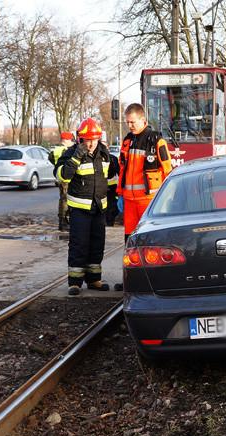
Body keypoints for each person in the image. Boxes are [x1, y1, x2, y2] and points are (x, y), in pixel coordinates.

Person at [56, 118, 118, 296]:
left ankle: (94, 280)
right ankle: (74, 282)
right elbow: (62, 177)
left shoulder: (105, 154)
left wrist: (112, 206)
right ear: (80, 139)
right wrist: (76, 158)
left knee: (97, 245)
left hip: (99, 209)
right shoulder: (71, 154)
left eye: (93, 139)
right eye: (87, 140)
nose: (90, 144)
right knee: (79, 245)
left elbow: (112, 180)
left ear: (99, 138)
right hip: (79, 210)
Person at [115, 103, 173, 291]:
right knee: (130, 243)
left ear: (143, 120)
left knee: (151, 243)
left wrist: (167, 200)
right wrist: (120, 194)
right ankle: (131, 280)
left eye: (133, 122)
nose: (130, 126)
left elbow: (167, 171)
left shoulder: (156, 141)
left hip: (149, 202)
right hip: (130, 203)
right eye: (128, 122)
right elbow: (123, 170)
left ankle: (154, 281)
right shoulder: (127, 141)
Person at [49, 131, 76, 231]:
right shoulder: (66, 150)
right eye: (71, 140)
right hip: (67, 178)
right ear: (67, 140)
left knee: (62, 199)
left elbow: (51, 159)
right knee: (66, 200)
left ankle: (63, 220)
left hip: (59, 177)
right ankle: (64, 221)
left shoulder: (56, 150)